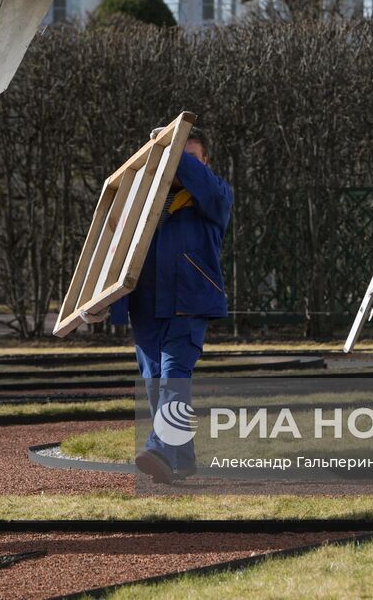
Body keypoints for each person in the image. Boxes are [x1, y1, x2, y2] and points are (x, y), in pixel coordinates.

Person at [96, 125, 232, 483]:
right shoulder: (143, 202)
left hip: (188, 304)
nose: (180, 165)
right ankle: (183, 459)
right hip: (145, 305)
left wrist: (170, 148)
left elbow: (203, 185)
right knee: (155, 382)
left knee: (174, 377)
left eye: (190, 159)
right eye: (175, 158)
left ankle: (158, 445)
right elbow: (114, 249)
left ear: (206, 162)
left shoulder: (216, 196)